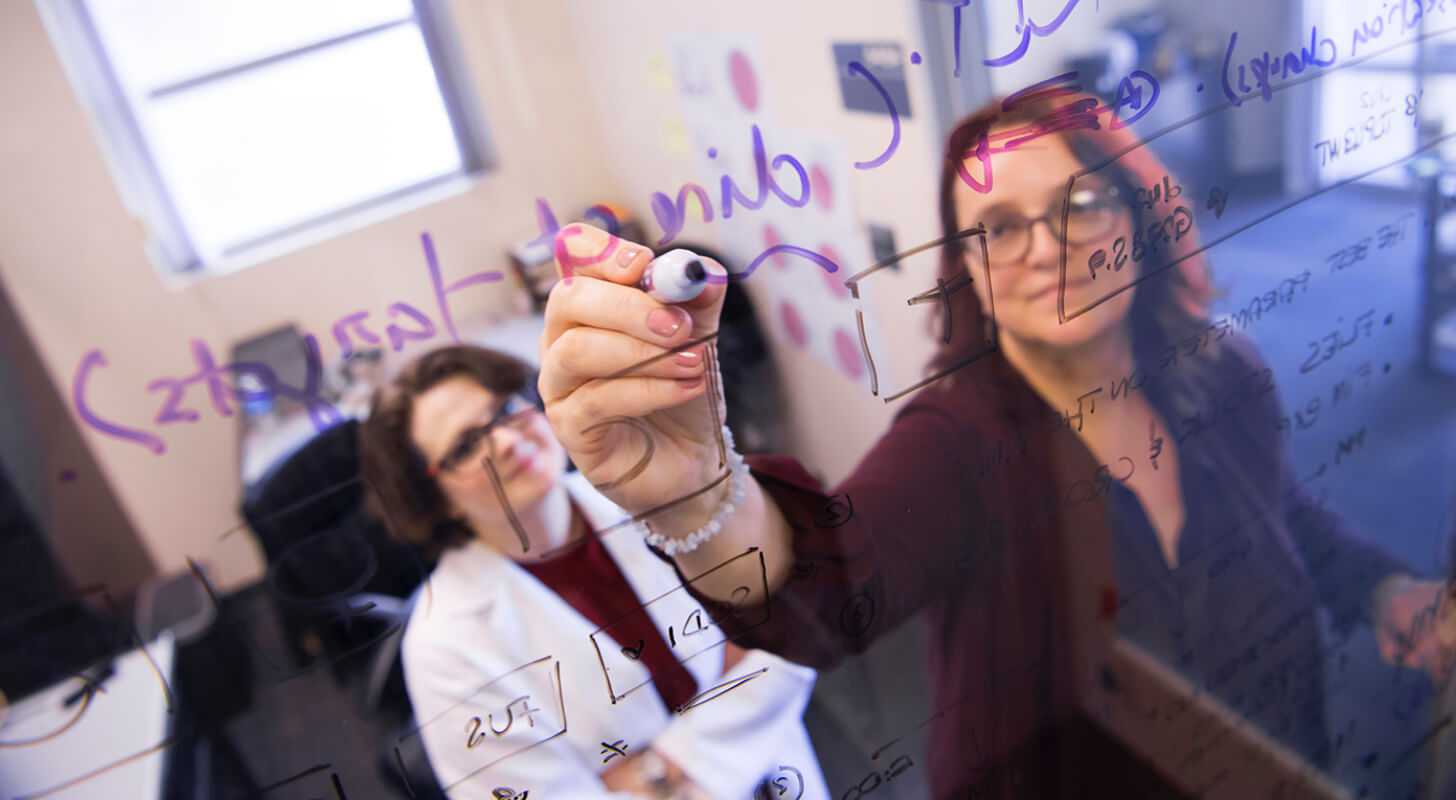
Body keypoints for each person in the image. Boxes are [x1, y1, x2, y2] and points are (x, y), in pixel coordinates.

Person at [535, 93, 1456, 798]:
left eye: (1081, 202)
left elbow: (1283, 509)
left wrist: (1381, 586)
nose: (1045, 248)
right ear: (968, 267)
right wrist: (702, 494)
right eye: (998, 228)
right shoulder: (958, 443)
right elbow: (828, 592)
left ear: (1138, 217)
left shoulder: (1224, 374)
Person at [358, 344, 829, 799]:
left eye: (504, 409)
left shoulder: (647, 484)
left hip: (783, 773)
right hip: (761, 746)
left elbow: (790, 630)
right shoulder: (443, 644)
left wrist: (649, 773)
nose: (503, 440)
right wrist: (735, 687)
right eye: (464, 446)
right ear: (433, 498)